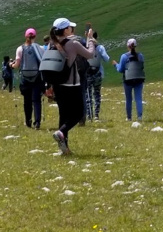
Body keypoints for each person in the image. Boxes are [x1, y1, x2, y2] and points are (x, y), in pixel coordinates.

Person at [49, 18, 95, 155]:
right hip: (72, 83)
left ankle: (64, 148)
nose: (71, 29)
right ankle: (61, 132)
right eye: (70, 27)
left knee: (63, 115)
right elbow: (90, 54)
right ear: (65, 30)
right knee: (79, 113)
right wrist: (90, 39)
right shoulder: (72, 44)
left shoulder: (52, 44)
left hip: (58, 85)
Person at [15, 29, 43, 129]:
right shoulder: (39, 48)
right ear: (35, 36)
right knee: (36, 100)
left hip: (25, 78)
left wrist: (11, 64)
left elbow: (17, 65)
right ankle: (37, 122)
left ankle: (28, 121)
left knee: (27, 100)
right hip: (36, 77)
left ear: (25, 36)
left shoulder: (20, 48)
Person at [116, 38, 147, 121]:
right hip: (139, 79)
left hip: (128, 80)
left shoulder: (124, 56)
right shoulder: (140, 56)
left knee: (128, 99)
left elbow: (120, 69)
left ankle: (129, 117)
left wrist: (116, 65)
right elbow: (142, 66)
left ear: (128, 46)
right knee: (138, 98)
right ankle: (139, 116)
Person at [85, 25, 110, 122]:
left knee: (88, 95)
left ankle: (89, 115)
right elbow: (107, 59)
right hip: (98, 73)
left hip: (88, 73)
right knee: (97, 94)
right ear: (97, 37)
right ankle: (96, 115)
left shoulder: (86, 46)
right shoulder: (100, 47)